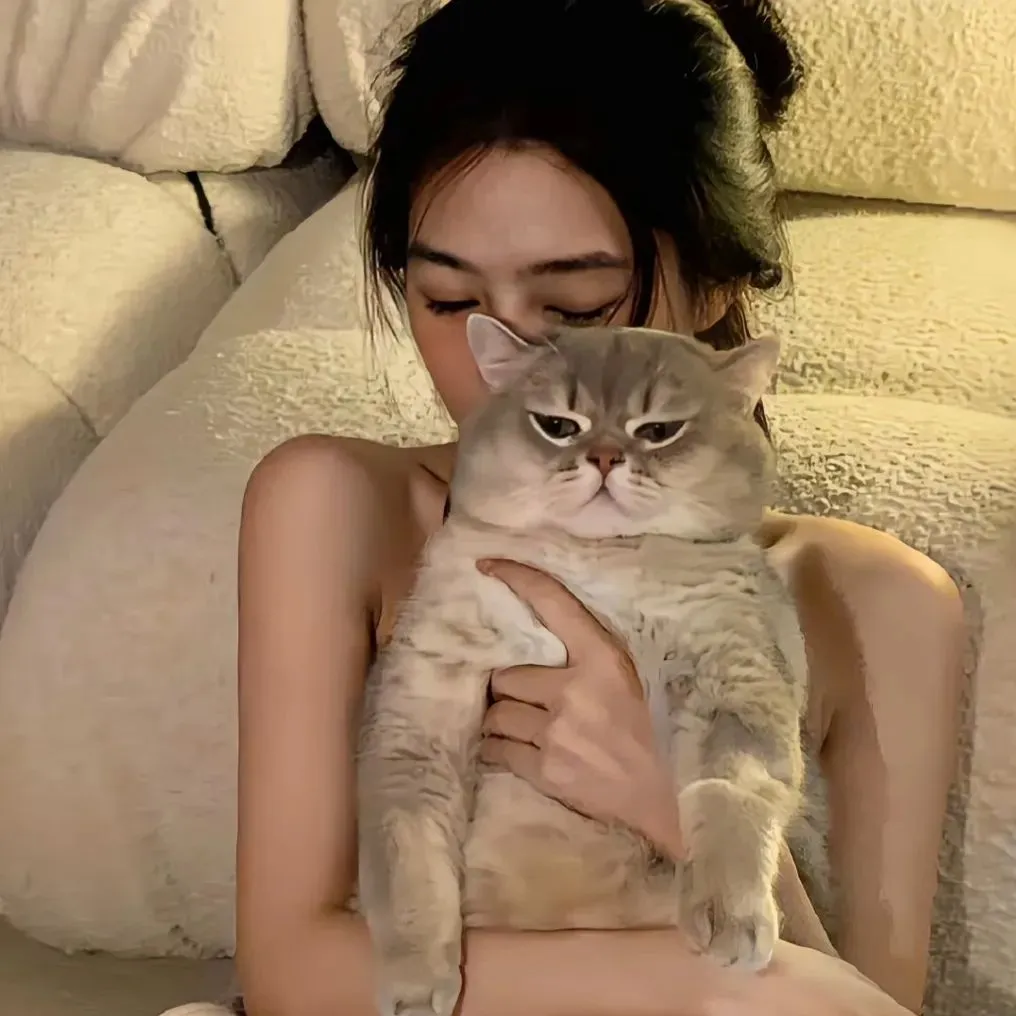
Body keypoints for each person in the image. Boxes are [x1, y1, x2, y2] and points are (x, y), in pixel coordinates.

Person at [231, 2, 966, 1015]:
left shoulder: (878, 600)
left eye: (575, 307)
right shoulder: (342, 507)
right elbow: (291, 971)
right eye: (449, 300)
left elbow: (874, 1003)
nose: (507, 359)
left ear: (715, 281)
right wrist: (726, 991)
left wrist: (676, 810)